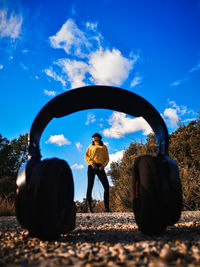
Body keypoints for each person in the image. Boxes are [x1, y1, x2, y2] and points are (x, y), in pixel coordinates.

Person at [85, 133, 110, 213]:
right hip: (91, 167)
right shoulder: (90, 146)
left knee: (106, 186)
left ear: (99, 138)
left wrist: (103, 165)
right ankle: (89, 208)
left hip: (100, 167)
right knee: (90, 186)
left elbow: (107, 158)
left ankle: (107, 208)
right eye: (93, 137)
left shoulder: (104, 147)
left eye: (95, 136)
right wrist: (92, 163)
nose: (93, 138)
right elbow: (86, 156)